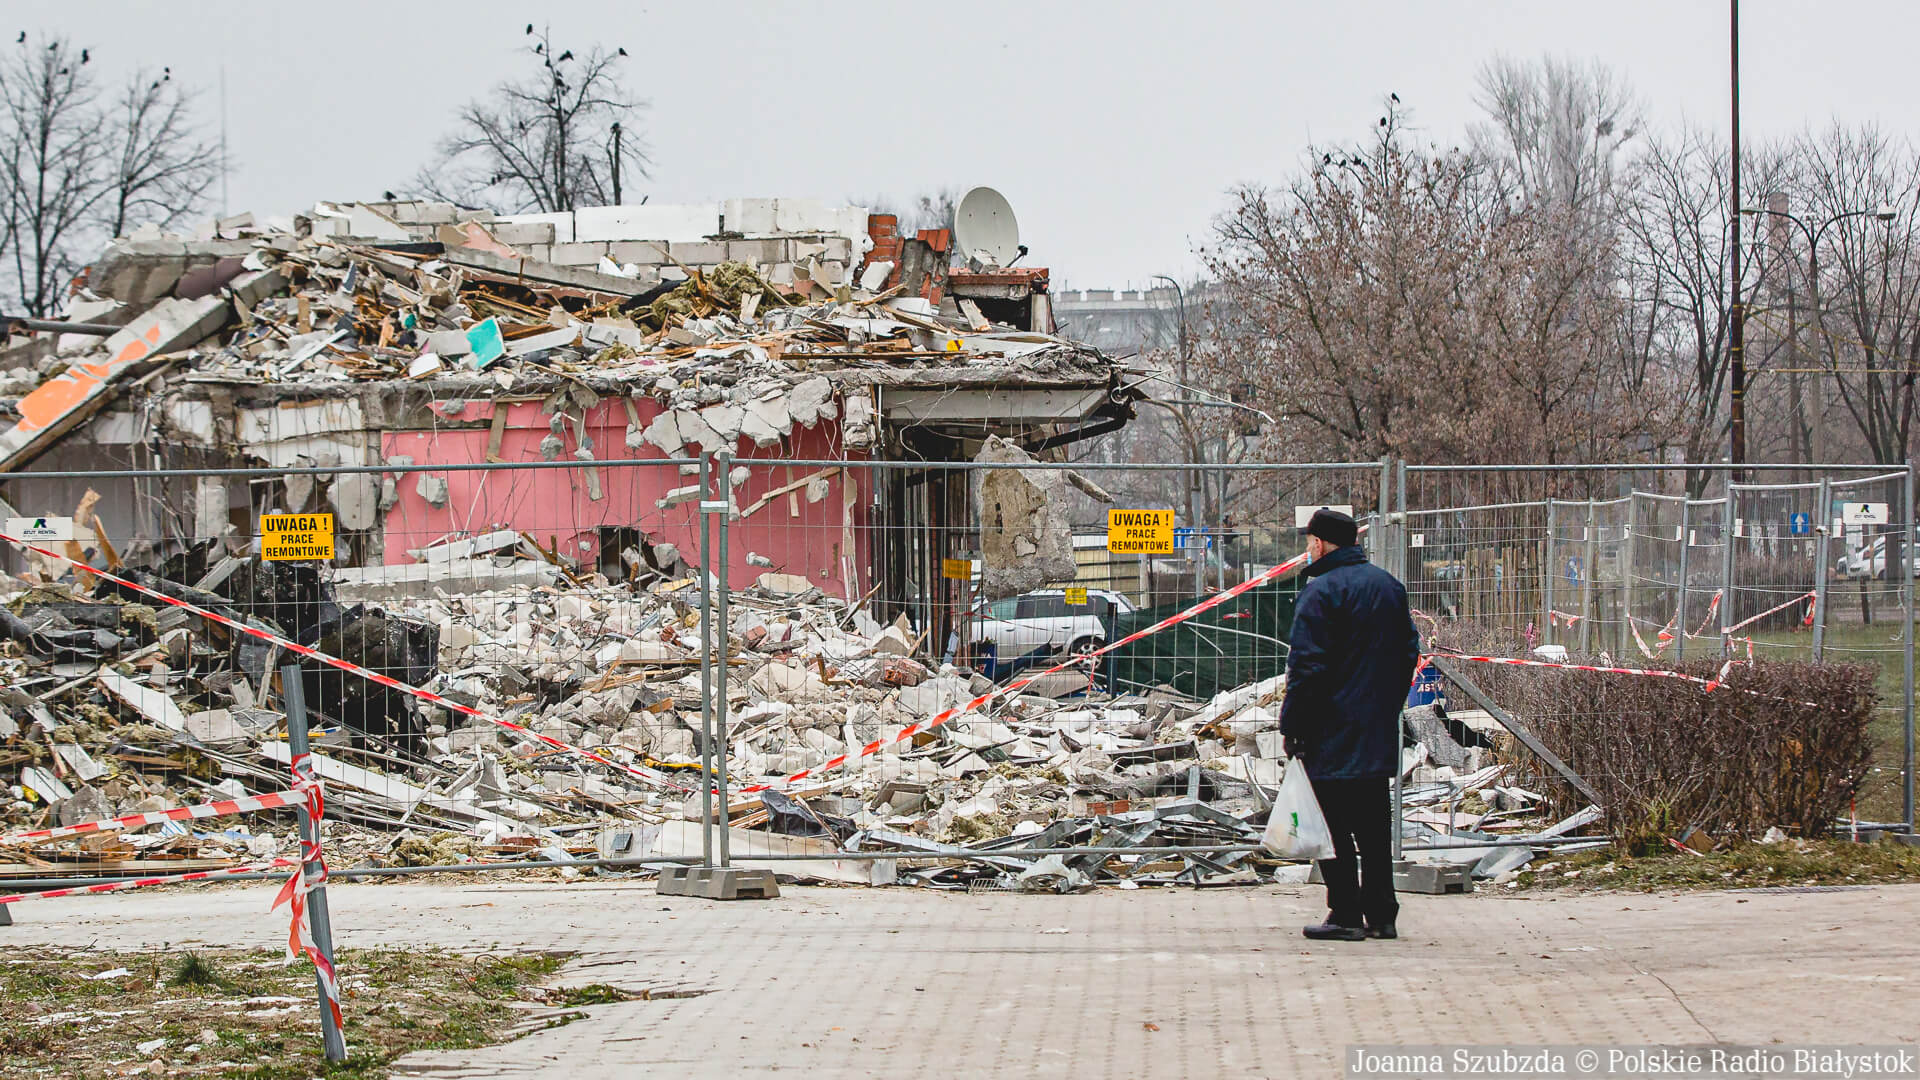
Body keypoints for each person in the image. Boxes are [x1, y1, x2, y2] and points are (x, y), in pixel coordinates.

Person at [1279, 508, 1420, 942]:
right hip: (1375, 724)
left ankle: (1345, 913)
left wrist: (1293, 724)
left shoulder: (1320, 592)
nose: (1307, 550)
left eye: (1309, 543)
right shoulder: (1388, 586)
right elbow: (1408, 651)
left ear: (1320, 543)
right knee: (1374, 825)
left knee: (1331, 824)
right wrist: (1387, 704)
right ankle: (1382, 914)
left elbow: (1307, 666)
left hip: (1328, 728)